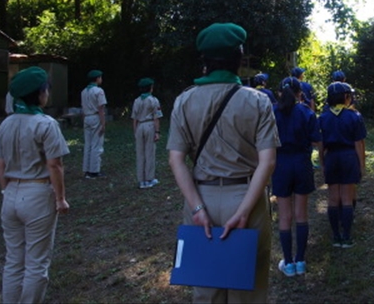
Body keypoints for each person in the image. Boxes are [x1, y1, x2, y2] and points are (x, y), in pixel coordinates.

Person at [167, 22, 279, 303]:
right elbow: (267, 162)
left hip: (200, 197)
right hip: (247, 198)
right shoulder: (258, 101)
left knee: (206, 291)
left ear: (204, 61)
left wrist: (197, 207)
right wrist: (243, 211)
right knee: (248, 292)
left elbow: (176, 159)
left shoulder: (184, 101)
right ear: (238, 60)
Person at [0, 66, 70, 303]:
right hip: (37, 193)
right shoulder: (45, 124)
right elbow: (54, 165)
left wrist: (5, 190)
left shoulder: (5, 124)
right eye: (46, 90)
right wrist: (60, 198)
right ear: (39, 94)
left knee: (14, 260)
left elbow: (0, 163)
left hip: (10, 193)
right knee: (36, 263)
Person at [272, 77, 322, 277]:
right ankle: (300, 259)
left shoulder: (272, 112)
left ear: (279, 93)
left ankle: (288, 262)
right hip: (302, 164)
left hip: (281, 165)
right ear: (300, 93)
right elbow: (317, 140)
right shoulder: (306, 112)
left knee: (285, 216)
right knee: (302, 214)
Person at [318, 81, 366, 248]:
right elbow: (359, 143)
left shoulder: (323, 117)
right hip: (348, 157)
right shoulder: (354, 116)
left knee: (333, 198)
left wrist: (322, 162)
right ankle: (346, 236)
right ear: (346, 97)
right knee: (346, 198)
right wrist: (361, 164)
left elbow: (321, 144)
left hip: (332, 157)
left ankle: (336, 236)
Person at [132, 77, 163, 189]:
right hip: (149, 125)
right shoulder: (153, 100)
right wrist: (157, 131)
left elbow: (134, 118)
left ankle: (141, 180)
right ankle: (150, 178)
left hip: (140, 126)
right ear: (150, 88)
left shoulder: (137, 101)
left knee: (140, 153)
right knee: (149, 152)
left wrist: (135, 131)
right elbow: (156, 117)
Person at [81, 69, 107, 179]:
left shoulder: (83, 91)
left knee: (88, 144)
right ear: (97, 79)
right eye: (100, 77)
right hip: (96, 117)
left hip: (87, 117)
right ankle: (94, 171)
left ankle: (86, 169)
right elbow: (101, 108)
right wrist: (103, 123)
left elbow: (82, 107)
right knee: (96, 144)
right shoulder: (98, 91)